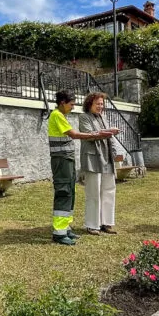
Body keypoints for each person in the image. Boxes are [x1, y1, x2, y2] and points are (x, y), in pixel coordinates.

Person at [48, 89, 115, 245]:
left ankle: (65, 227)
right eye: (71, 104)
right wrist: (99, 134)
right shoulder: (57, 115)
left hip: (67, 158)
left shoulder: (61, 116)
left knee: (70, 191)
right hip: (61, 159)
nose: (73, 107)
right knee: (64, 191)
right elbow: (75, 134)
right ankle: (59, 233)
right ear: (62, 103)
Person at [79, 92, 123, 235]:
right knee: (93, 192)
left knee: (109, 190)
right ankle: (92, 225)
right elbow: (88, 135)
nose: (100, 106)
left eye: (102, 104)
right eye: (97, 103)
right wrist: (109, 131)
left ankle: (106, 223)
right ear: (89, 104)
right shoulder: (84, 117)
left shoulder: (103, 117)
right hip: (92, 159)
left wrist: (114, 153)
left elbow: (110, 138)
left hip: (107, 158)